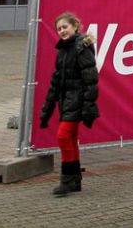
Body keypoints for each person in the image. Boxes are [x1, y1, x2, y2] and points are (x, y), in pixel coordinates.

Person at [39, 12, 99, 196]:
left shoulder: (82, 47)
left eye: (65, 27)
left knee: (63, 136)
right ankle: (75, 180)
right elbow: (55, 82)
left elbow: (91, 79)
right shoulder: (63, 50)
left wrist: (88, 104)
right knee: (71, 138)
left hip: (77, 100)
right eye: (59, 29)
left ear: (75, 26)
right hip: (66, 100)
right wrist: (46, 112)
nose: (62, 31)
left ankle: (67, 179)